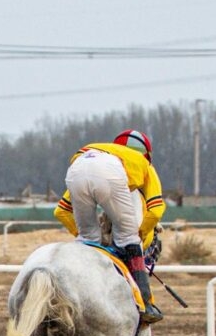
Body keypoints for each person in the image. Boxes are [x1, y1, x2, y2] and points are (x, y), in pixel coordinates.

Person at [52, 128, 167, 325]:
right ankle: (146, 304)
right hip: (109, 174)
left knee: (88, 239)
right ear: (147, 156)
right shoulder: (144, 165)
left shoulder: (105, 153)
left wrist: (87, 235)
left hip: (77, 166)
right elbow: (156, 211)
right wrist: (139, 234)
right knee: (128, 238)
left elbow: (61, 211)